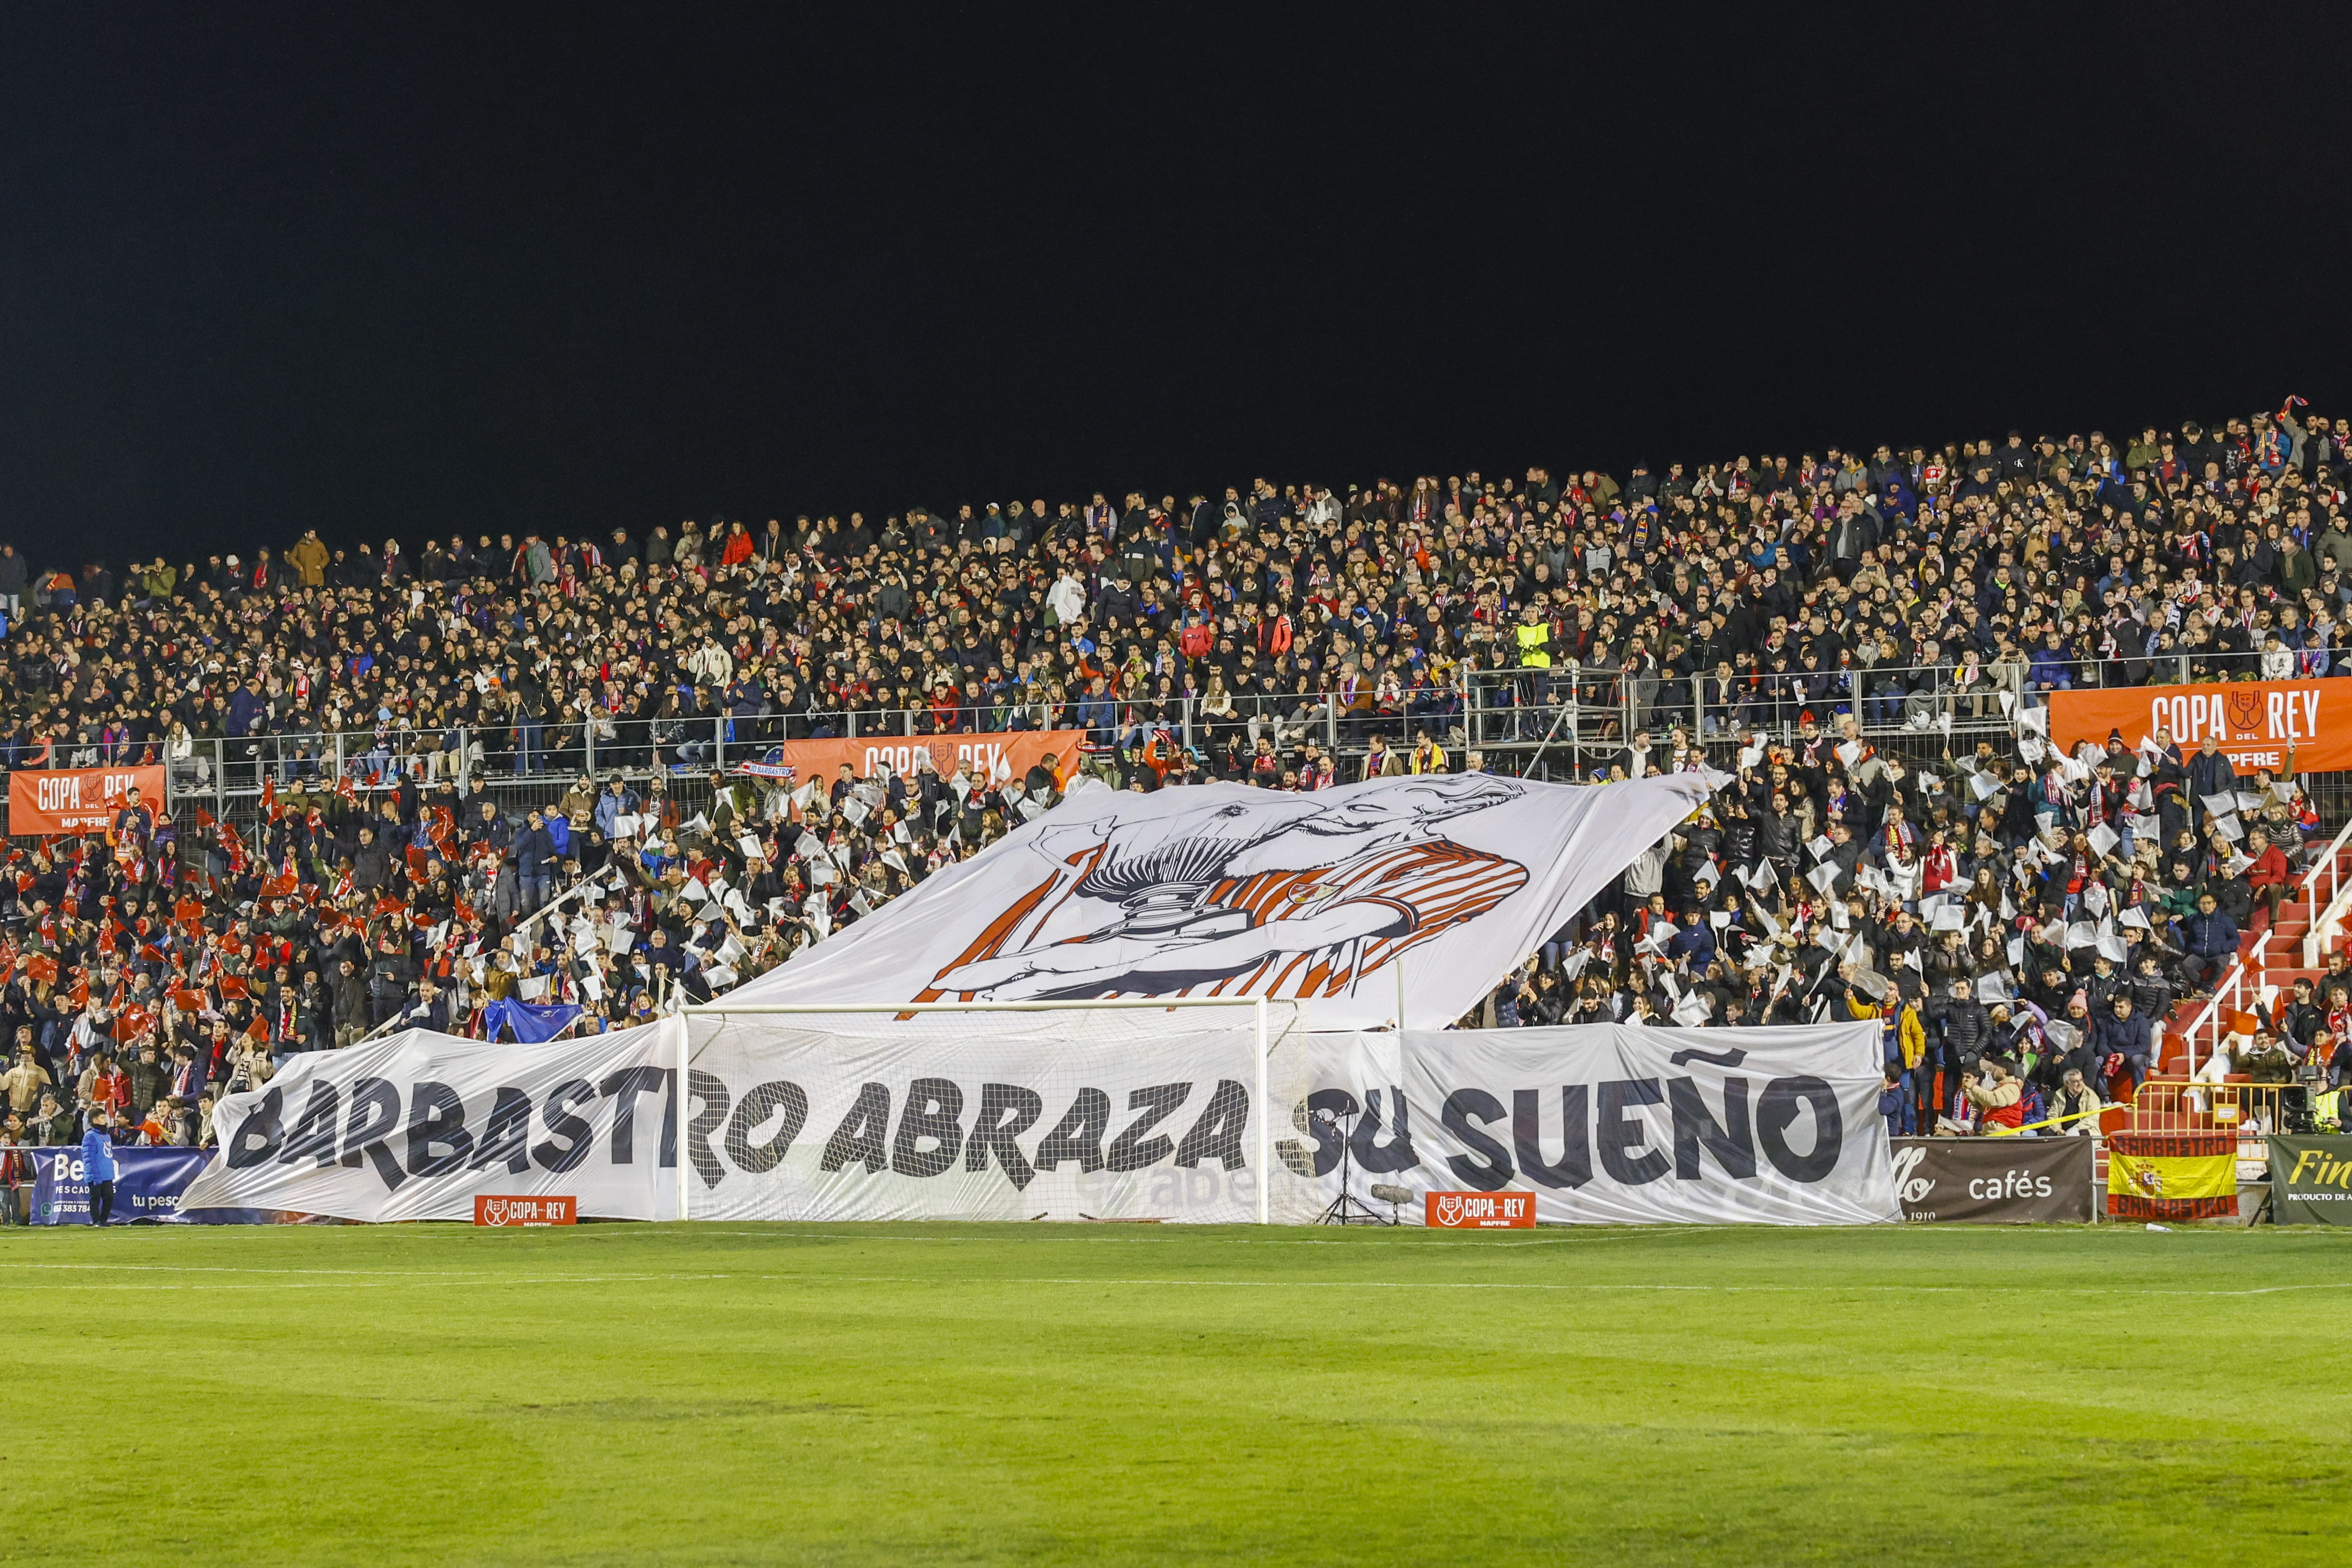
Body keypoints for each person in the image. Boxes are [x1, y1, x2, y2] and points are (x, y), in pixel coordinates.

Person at [80, 1109, 119, 1225]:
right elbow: (89, 1158)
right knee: (95, 1198)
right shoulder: (90, 1137)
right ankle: (96, 1220)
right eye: (102, 1118)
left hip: (107, 1174)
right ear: (95, 1120)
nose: (105, 1120)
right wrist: (94, 1175)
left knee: (109, 1197)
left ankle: (103, 1220)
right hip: (96, 1174)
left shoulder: (106, 1136)